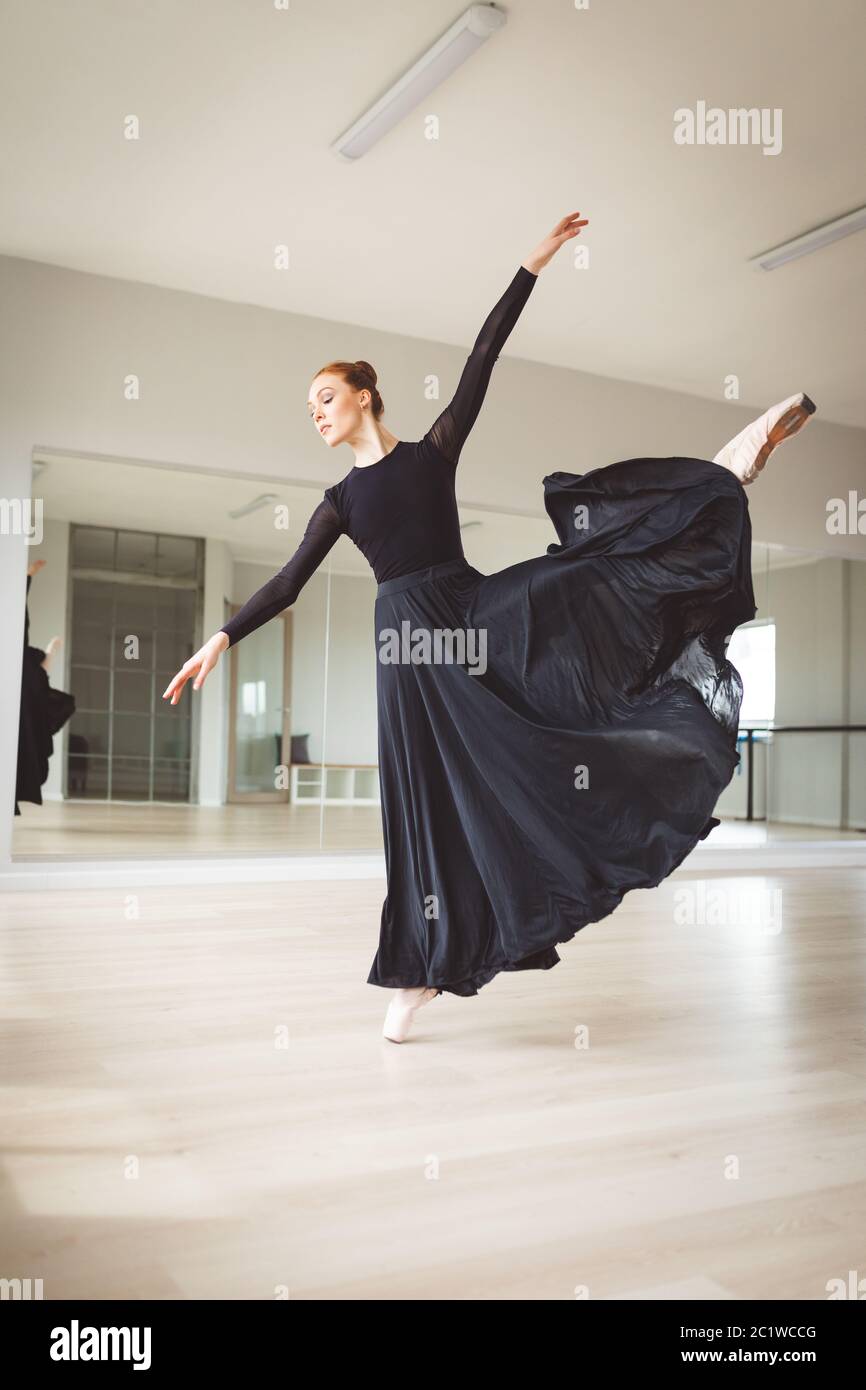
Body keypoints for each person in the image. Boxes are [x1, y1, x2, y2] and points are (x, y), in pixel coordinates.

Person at [162, 212, 816, 1043]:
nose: (316, 413)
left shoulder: (429, 455)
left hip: (469, 619)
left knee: (581, 586)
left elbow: (482, 358)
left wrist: (528, 267)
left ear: (365, 393)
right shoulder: (340, 502)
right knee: (425, 806)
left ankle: (723, 472)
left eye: (325, 397)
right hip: (405, 656)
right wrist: (220, 639)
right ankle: (423, 964)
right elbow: (289, 582)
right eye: (308, 407)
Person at [15, 559, 76, 816]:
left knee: (32, 670)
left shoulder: (27, 661)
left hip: (26, 684)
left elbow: (21, 619)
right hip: (26, 682)